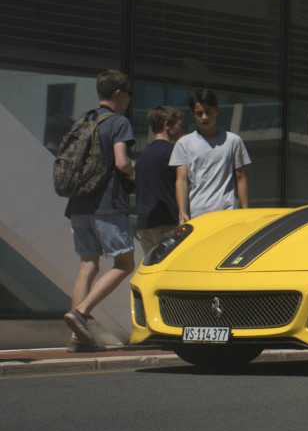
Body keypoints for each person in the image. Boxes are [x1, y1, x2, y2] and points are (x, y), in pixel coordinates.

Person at [62, 69, 135, 351]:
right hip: (107, 205)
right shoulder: (119, 123)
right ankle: (81, 313)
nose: (129, 99)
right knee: (124, 264)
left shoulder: (84, 120)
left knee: (88, 264)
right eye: (128, 94)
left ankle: (75, 336)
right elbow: (121, 162)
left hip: (78, 204)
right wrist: (131, 173)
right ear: (118, 93)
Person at [171, 89, 250, 221]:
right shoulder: (184, 143)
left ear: (217, 110)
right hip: (196, 215)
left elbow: (240, 178)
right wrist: (182, 212)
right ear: (192, 114)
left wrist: (246, 212)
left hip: (227, 214)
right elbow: (181, 180)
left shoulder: (233, 141)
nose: (204, 117)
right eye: (199, 113)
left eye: (208, 112)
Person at [135, 105, 185, 253]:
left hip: (144, 225)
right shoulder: (173, 153)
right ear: (167, 125)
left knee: (153, 271)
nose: (182, 130)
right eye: (179, 125)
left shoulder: (142, 157)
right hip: (166, 223)